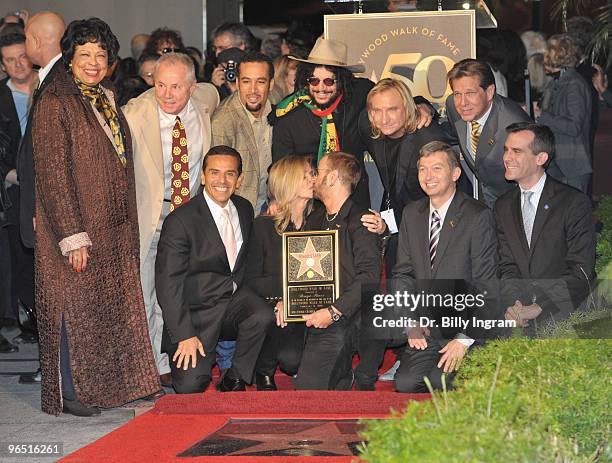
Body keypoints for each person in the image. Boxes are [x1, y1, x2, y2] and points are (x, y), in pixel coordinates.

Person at [32, 17, 160, 416]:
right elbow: (53, 175)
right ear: (69, 58)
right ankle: (71, 392)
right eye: (84, 54)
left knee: (110, 311)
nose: (92, 61)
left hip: (114, 226)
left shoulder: (104, 96)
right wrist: (73, 235)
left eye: (100, 54)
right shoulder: (55, 101)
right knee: (73, 310)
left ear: (110, 61)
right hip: (78, 229)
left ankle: (116, 387)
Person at [122, 52, 219, 387]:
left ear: (192, 87)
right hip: (150, 213)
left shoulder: (204, 102)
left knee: (177, 286)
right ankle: (154, 364)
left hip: (187, 213)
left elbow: (215, 91)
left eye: (176, 87)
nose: (166, 94)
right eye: (160, 84)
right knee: (146, 287)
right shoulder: (134, 115)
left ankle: (180, 352)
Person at [354, 77, 451, 389]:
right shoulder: (372, 130)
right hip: (400, 215)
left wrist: (388, 223)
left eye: (393, 110)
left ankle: (423, 350)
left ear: (407, 109)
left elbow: (432, 199)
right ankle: (405, 348)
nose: (384, 118)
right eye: (377, 111)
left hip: (431, 222)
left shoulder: (427, 137)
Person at [155, 145, 274, 393]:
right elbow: (169, 285)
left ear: (239, 179)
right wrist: (184, 334)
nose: (222, 180)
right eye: (214, 172)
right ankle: (204, 362)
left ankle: (235, 375)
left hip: (234, 306)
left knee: (262, 314)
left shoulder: (244, 208)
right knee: (189, 387)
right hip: (198, 315)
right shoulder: (181, 221)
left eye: (230, 174)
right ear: (202, 176)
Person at [392, 141, 498, 393]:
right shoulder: (411, 213)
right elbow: (402, 273)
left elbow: (487, 285)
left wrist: (463, 339)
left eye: (436, 168)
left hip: (465, 326)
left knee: (441, 382)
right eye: (422, 169)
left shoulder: (477, 216)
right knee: (405, 384)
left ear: (455, 174)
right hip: (428, 327)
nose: (428, 177)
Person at [495, 122, 596, 333]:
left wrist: (539, 306)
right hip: (519, 314)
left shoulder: (573, 203)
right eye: (506, 150)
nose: (507, 158)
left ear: (541, 158)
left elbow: (581, 271)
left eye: (517, 151)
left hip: (565, 314)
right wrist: (515, 305)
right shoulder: (502, 206)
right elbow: (507, 265)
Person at [294, 152, 382, 390]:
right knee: (306, 387)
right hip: (320, 313)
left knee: (308, 391)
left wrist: (334, 311)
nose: (313, 179)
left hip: (349, 314)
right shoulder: (316, 219)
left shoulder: (362, 220)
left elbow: (369, 279)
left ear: (332, 178)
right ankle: (342, 375)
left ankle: (353, 372)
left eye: (318, 173)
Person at [16, 10, 65, 384]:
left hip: (50, 213)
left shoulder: (60, 82)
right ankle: (56, 372)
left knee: (59, 300)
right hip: (44, 210)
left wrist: (40, 208)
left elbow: (53, 159)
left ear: (36, 41)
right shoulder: (48, 79)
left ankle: (64, 377)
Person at [244, 155, 315, 390]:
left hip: (311, 306)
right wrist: (284, 297)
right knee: (275, 317)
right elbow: (252, 280)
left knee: (292, 363)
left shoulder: (319, 222)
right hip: (274, 309)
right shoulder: (263, 226)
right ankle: (263, 370)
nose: (313, 179)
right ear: (288, 182)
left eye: (312, 174)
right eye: (305, 176)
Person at [445, 58, 530, 208]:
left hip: (514, 203)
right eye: (457, 94)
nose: (462, 103)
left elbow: (532, 176)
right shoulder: (453, 105)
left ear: (489, 92)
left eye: (470, 93)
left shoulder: (514, 124)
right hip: (479, 202)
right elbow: (453, 141)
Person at [0, 32, 37, 325]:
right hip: (12, 188)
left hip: (48, 188)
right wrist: (11, 175)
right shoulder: (1, 95)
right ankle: (27, 314)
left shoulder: (48, 88)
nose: (18, 64)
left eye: (22, 56)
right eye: (10, 60)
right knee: (19, 255)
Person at [212, 51, 274, 213]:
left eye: (260, 82)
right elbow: (217, 182)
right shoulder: (223, 121)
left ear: (271, 84)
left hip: (271, 208)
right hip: (237, 212)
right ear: (237, 83)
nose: (253, 90)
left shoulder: (278, 110)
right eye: (246, 81)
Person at [535, 34, 592, 193]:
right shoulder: (560, 81)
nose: (544, 58)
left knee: (574, 215)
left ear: (556, 56)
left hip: (572, 164)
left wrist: (542, 116)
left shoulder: (574, 84)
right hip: (561, 162)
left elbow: (574, 127)